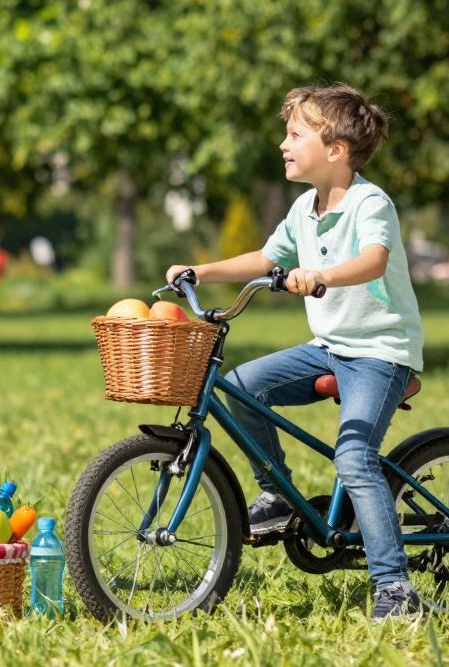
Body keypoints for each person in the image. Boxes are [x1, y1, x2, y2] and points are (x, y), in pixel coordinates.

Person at [165, 83, 425, 621]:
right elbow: (265, 258)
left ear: (337, 150)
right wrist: (200, 271)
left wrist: (321, 275)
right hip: (330, 348)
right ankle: (276, 495)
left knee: (355, 458)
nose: (283, 144)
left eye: (295, 134)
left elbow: (374, 260)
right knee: (239, 385)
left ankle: (395, 587)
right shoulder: (304, 208)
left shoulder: (369, 202)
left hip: (379, 352)